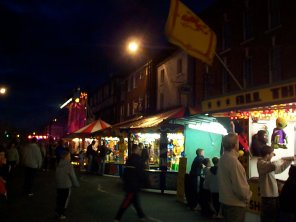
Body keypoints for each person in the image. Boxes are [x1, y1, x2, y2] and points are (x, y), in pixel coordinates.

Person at [114, 144, 155, 222]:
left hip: (131, 184)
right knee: (127, 201)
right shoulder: (137, 160)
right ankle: (117, 217)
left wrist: (123, 179)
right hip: (132, 185)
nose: (140, 151)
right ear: (135, 150)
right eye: (139, 149)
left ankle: (141, 216)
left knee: (135, 201)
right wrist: (147, 181)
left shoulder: (130, 159)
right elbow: (141, 173)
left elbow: (126, 171)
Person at [218, 133, 252, 222]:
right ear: (235, 145)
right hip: (235, 205)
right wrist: (248, 196)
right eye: (238, 142)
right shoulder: (234, 162)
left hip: (224, 201)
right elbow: (240, 187)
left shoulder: (222, 159)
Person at [257, 145, 295, 222]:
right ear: (267, 155)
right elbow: (274, 165)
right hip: (268, 199)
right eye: (272, 153)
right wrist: (282, 159)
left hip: (274, 198)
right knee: (268, 219)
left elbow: (280, 169)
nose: (273, 155)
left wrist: (289, 160)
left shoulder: (268, 164)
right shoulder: (261, 164)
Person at [55, 151, 80, 220]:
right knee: (65, 200)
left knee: (59, 199)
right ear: (66, 157)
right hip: (66, 185)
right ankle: (61, 214)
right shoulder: (69, 165)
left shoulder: (58, 164)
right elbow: (73, 176)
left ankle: (57, 212)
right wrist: (76, 184)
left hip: (59, 185)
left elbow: (56, 175)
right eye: (69, 156)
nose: (70, 157)